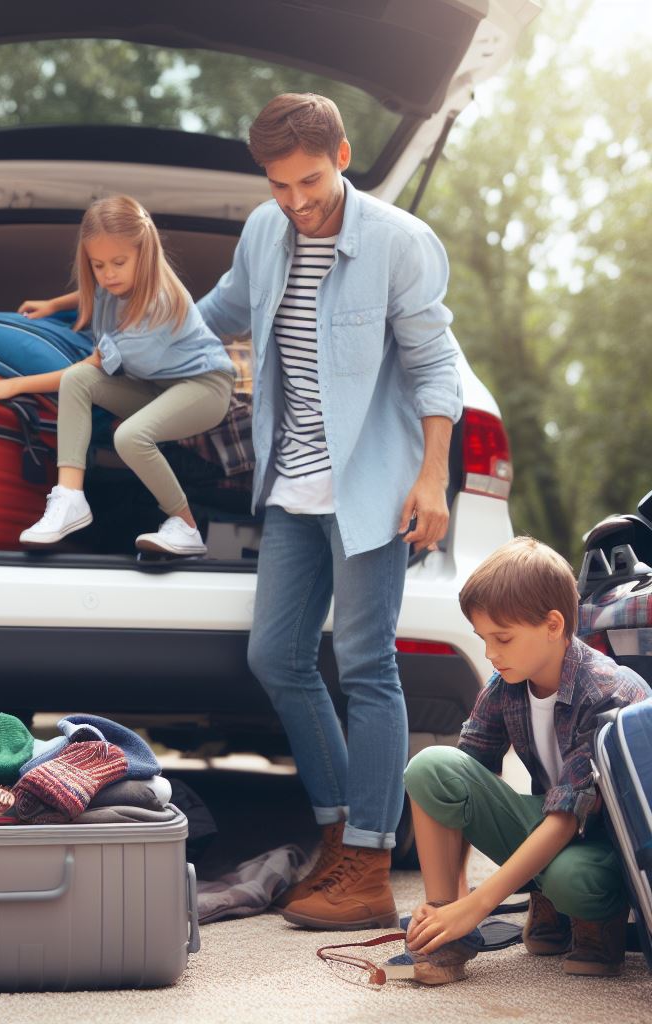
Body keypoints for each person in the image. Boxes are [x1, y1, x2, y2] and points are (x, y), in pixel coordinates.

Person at [196, 93, 464, 929]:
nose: (297, 201)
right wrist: (120, 341)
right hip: (291, 484)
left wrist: (431, 478)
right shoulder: (264, 231)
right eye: (280, 186)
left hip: (373, 485)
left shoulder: (398, 242)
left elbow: (435, 364)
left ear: (342, 156)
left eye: (309, 181)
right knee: (276, 654)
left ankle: (373, 866)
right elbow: (222, 311)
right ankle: (342, 831)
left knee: (366, 661)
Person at [400, 537, 649, 983]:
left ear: (554, 624)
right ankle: (450, 940)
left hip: (605, 840)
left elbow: (566, 820)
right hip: (550, 823)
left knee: (575, 878)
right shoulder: (506, 684)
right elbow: (458, 789)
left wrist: (478, 905)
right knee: (431, 768)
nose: (490, 654)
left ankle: (595, 923)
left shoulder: (604, 691)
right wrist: (452, 909)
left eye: (503, 638)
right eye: (483, 639)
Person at [0, 194, 235, 557]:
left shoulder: (158, 307)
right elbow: (93, 291)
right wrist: (54, 304)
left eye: (119, 262)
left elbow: (91, 364)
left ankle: (186, 526)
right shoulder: (114, 283)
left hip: (205, 387)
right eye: (98, 264)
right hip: (156, 387)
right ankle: (70, 498)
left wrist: (14, 386)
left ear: (145, 254)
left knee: (129, 436)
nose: (108, 274)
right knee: (75, 385)